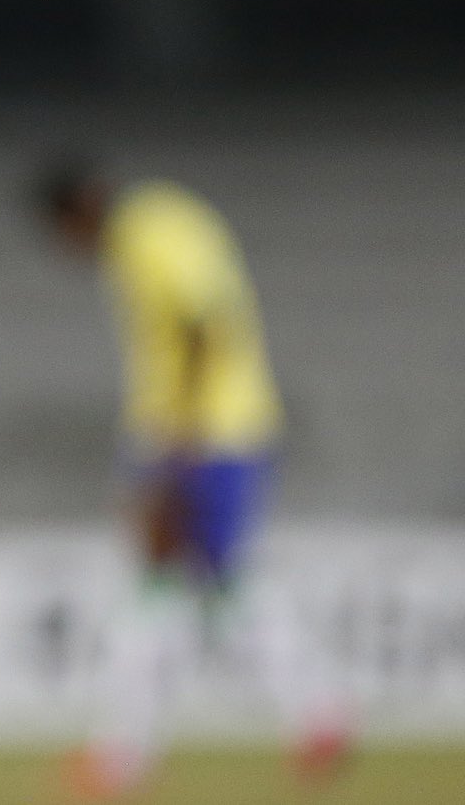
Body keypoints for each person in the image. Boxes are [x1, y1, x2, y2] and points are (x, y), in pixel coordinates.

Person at [35, 159, 351, 798]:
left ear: (80, 209)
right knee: (204, 584)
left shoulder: (150, 233)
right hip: (204, 429)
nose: (69, 249)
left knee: (177, 583)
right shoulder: (159, 226)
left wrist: (178, 441)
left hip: (206, 435)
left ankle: (127, 756)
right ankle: (316, 719)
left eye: (63, 231)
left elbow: (206, 323)